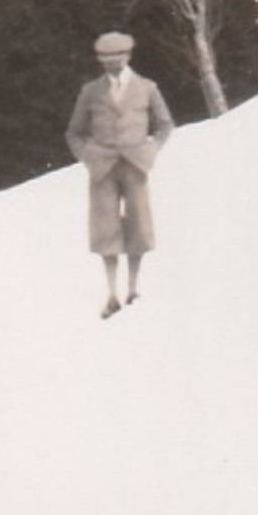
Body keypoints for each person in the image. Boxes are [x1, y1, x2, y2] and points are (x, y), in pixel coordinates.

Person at [66, 31, 174, 319]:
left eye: (117, 58)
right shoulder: (90, 91)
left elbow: (165, 125)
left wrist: (151, 150)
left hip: (136, 165)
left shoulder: (147, 88)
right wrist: (88, 156)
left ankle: (133, 288)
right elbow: (74, 132)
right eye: (106, 60)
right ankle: (112, 293)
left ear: (128, 56)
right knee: (106, 229)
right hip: (102, 168)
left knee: (139, 224)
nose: (112, 64)